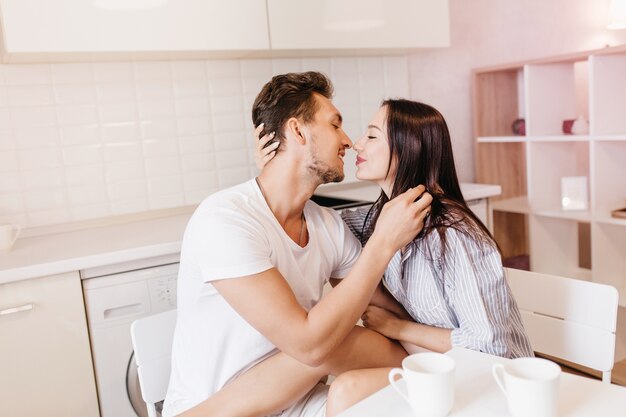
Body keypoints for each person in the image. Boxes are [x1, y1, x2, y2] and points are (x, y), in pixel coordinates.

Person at [161, 72, 433, 417]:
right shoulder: (225, 219)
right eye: (335, 125)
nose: (348, 141)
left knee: (392, 392)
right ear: (298, 131)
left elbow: (386, 322)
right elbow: (311, 345)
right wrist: (382, 244)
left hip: (302, 401)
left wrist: (439, 352)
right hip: (219, 408)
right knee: (333, 344)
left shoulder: (328, 226)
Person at [248, 98, 534, 415]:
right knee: (345, 385)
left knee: (346, 389)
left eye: (371, 136)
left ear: (407, 147)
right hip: (435, 370)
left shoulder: (454, 235)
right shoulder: (375, 221)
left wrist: (395, 327)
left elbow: (488, 348)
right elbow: (311, 223)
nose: (356, 144)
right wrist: (280, 168)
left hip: (493, 381)